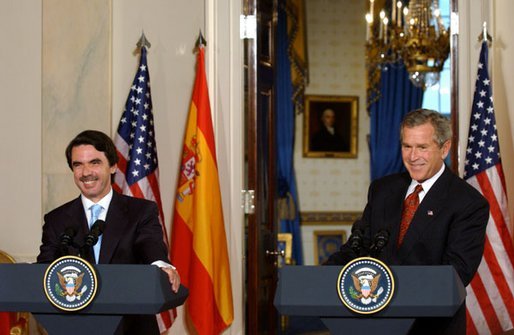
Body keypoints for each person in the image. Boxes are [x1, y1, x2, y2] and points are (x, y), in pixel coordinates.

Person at [325, 109, 489, 335]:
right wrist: (322, 276)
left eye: (422, 147)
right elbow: (358, 246)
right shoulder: (382, 189)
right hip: (374, 321)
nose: (413, 157)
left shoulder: (468, 203)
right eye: (407, 146)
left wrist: (393, 288)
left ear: (444, 148)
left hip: (431, 327)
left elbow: (456, 273)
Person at [37, 130, 180, 335]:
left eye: (94, 162)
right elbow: (44, 270)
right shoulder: (56, 219)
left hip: (131, 327)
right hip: (75, 327)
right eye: (78, 165)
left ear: (112, 166)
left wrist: (161, 265)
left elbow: (149, 243)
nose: (86, 172)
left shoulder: (141, 211)